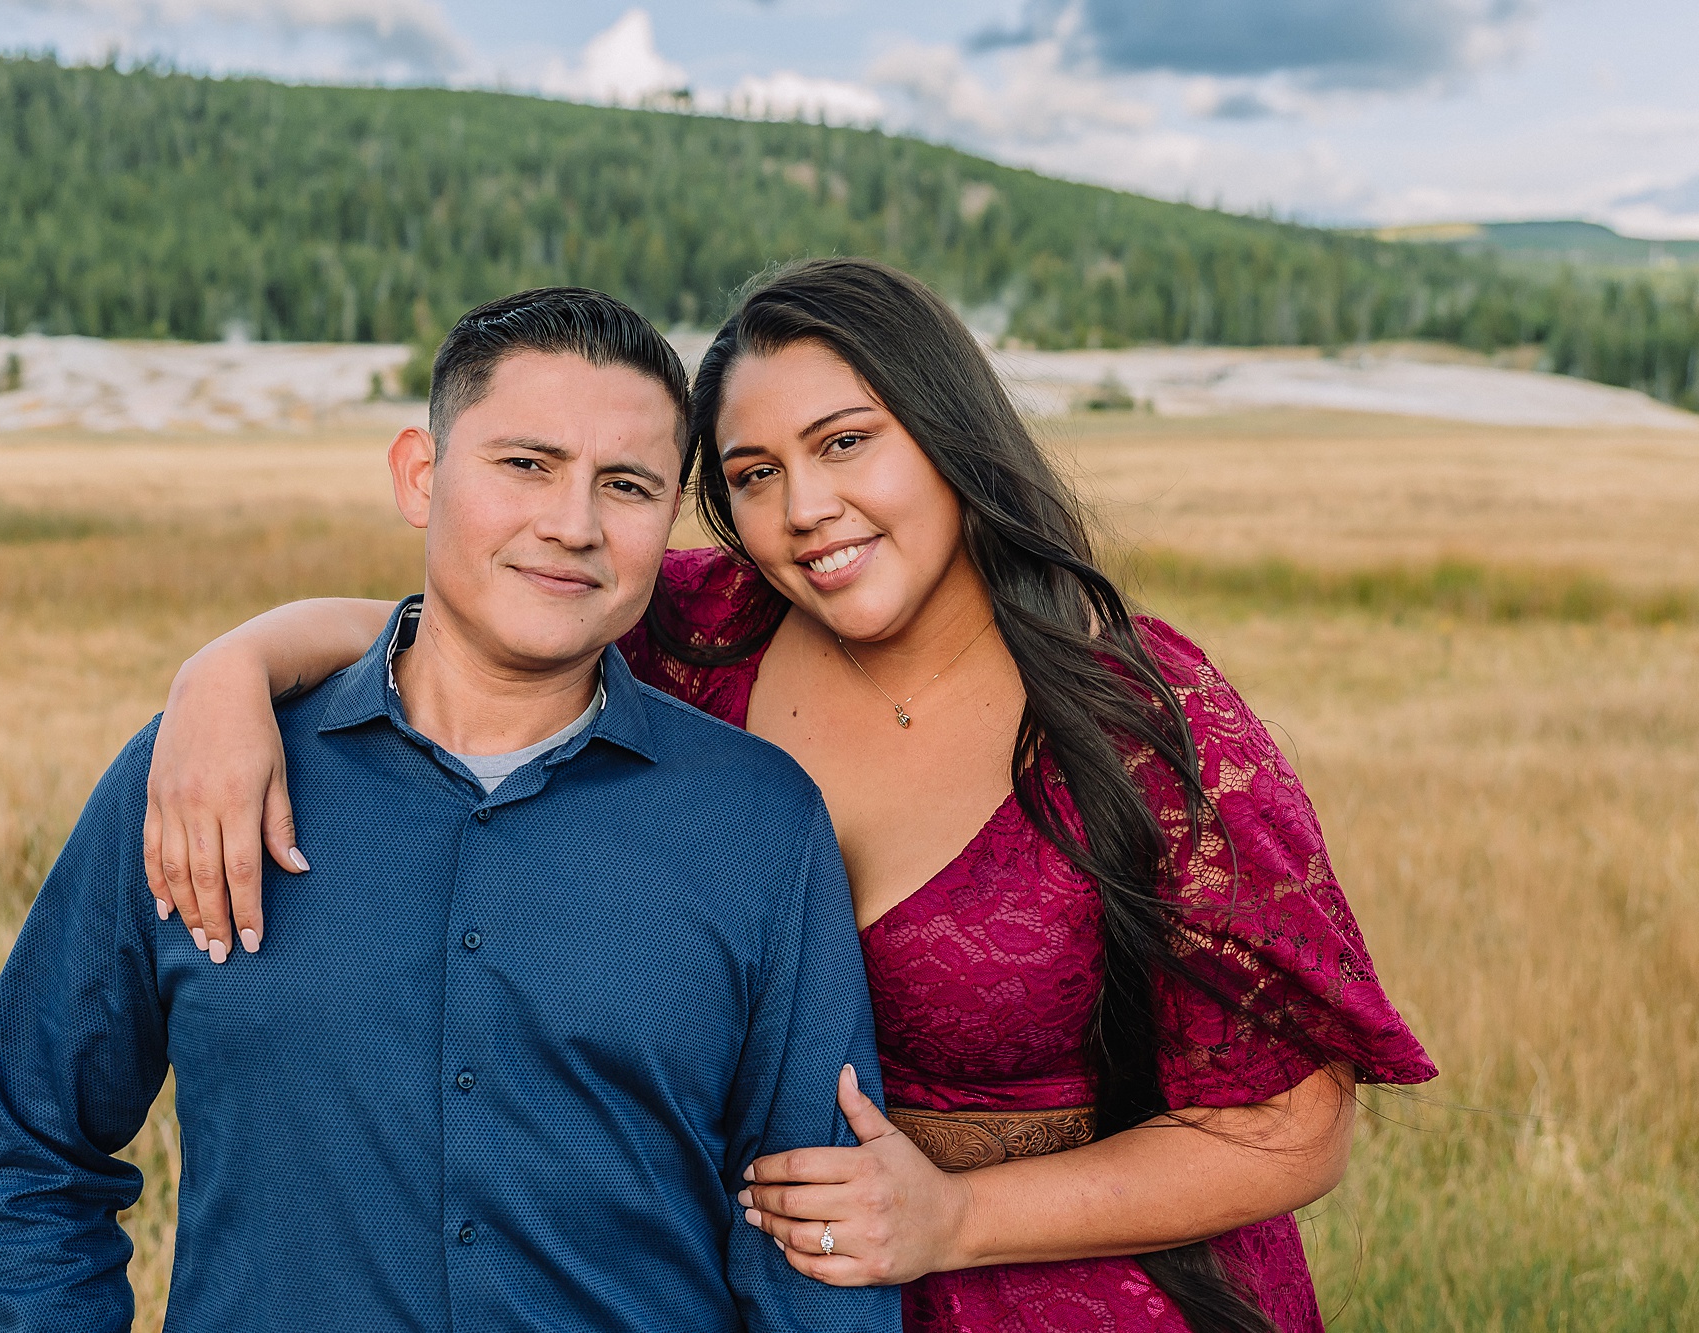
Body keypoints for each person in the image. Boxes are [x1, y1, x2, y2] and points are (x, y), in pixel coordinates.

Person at [145, 259, 1436, 1333]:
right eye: (754, 473)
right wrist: (235, 665)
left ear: (952, 437)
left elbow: (1291, 1132)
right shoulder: (699, 640)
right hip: (753, 1289)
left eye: (846, 443)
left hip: (1072, 1289)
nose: (806, 510)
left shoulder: (1147, 724)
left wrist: (952, 1217)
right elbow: (463, 626)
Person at [0, 287, 902, 1333]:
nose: (570, 523)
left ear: (665, 519)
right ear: (419, 473)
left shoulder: (755, 825)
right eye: (524, 464)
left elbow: (812, 1246)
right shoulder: (194, 778)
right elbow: (29, 1155)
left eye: (624, 485)